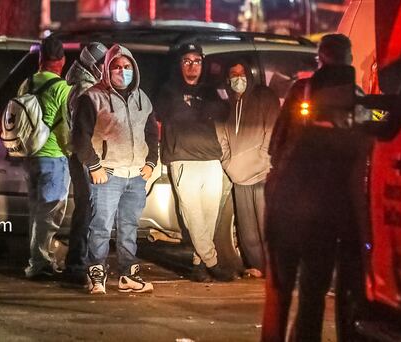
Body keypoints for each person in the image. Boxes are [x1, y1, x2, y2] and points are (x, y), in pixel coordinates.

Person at [262, 34, 371, 341]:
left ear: (320, 59)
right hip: (327, 213)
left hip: (287, 206)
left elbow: (275, 146)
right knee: (313, 294)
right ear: (349, 59)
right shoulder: (358, 99)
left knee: (279, 293)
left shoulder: (301, 91)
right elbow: (365, 151)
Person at [73, 44, 159, 294]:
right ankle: (96, 273)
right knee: (101, 225)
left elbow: (152, 132)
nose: (122, 71)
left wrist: (151, 161)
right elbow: (80, 137)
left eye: (127, 67)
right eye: (116, 67)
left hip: (136, 175)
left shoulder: (143, 98)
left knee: (130, 225)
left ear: (134, 69)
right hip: (107, 175)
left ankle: (128, 273)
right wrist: (94, 165)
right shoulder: (92, 97)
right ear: (106, 70)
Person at [155, 43, 233, 282]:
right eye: (187, 61)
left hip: (210, 159)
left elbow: (223, 112)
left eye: (197, 61)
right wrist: (200, 110)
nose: (192, 67)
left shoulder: (210, 90)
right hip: (183, 160)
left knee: (210, 216)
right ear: (179, 64)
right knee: (194, 217)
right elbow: (167, 113)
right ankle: (213, 261)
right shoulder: (167, 90)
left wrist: (203, 108)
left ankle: (199, 266)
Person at [217, 61, 280, 276]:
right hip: (239, 175)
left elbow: (271, 131)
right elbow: (222, 137)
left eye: (242, 73)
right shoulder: (229, 104)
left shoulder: (265, 97)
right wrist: (228, 163)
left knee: (266, 226)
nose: (238, 78)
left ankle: (274, 268)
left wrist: (263, 160)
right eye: (233, 74)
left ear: (250, 74)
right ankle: (258, 266)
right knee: (247, 230)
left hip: (263, 173)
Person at [21, 36, 72, 279]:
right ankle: (39, 264)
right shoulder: (63, 89)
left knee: (36, 211)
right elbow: (66, 128)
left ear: (40, 59)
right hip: (53, 156)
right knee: (50, 214)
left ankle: (37, 259)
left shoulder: (27, 83)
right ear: (62, 61)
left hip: (30, 156)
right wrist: (70, 151)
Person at [63, 41, 108, 286]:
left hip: (84, 155)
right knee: (87, 210)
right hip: (84, 156)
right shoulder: (84, 90)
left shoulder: (88, 85)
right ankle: (76, 266)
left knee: (87, 209)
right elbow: (84, 132)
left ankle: (80, 263)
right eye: (102, 63)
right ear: (92, 64)